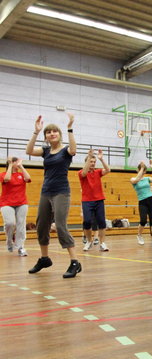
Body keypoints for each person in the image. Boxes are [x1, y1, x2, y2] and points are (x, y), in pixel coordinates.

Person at [26, 113, 82, 278]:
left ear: (59, 134)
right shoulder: (45, 151)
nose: (51, 134)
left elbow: (73, 149)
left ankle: (75, 262)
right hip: (46, 192)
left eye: (54, 132)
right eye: (48, 132)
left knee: (59, 226)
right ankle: (44, 259)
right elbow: (28, 150)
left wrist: (70, 127)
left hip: (61, 192)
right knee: (42, 225)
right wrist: (36, 131)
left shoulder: (65, 151)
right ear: (46, 137)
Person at [79, 149, 110, 252]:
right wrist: (89, 156)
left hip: (99, 200)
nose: (92, 163)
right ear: (86, 162)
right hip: (87, 201)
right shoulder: (81, 173)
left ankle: (102, 243)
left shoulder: (98, 172)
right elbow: (84, 173)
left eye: (93, 162)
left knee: (101, 222)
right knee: (87, 222)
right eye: (90, 161)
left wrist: (101, 159)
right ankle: (89, 241)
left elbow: (108, 169)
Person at [0, 156, 31, 256]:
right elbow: (7, 179)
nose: (17, 163)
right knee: (10, 223)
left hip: (22, 203)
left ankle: (20, 247)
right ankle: (9, 241)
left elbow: (28, 178)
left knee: (21, 225)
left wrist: (21, 166)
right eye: (15, 162)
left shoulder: (21, 175)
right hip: (6, 203)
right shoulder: (3, 174)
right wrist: (10, 165)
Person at [131, 160, 152, 248]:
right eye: (141, 170)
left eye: (144, 170)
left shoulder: (147, 179)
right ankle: (139, 235)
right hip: (142, 201)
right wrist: (142, 168)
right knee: (143, 220)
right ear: (138, 170)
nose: (143, 172)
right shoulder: (133, 179)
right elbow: (136, 180)